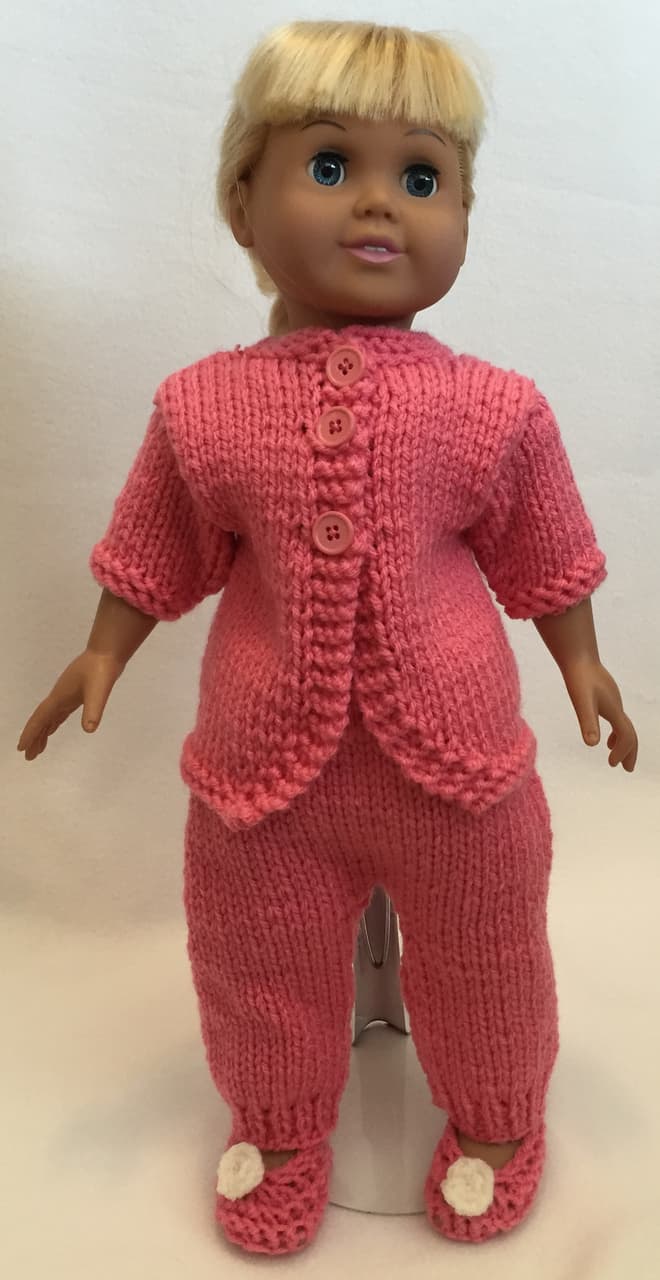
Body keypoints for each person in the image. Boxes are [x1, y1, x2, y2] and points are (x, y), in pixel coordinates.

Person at [17, 19, 638, 1258]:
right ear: (242, 202)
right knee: (256, 956)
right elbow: (156, 543)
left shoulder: (491, 406)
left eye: (423, 176)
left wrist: (582, 662)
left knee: (484, 949)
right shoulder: (203, 405)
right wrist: (102, 649)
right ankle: (283, 1124)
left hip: (459, 769)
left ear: (465, 212)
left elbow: (545, 546)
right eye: (329, 164)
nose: (379, 203)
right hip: (263, 779)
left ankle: (497, 1116)